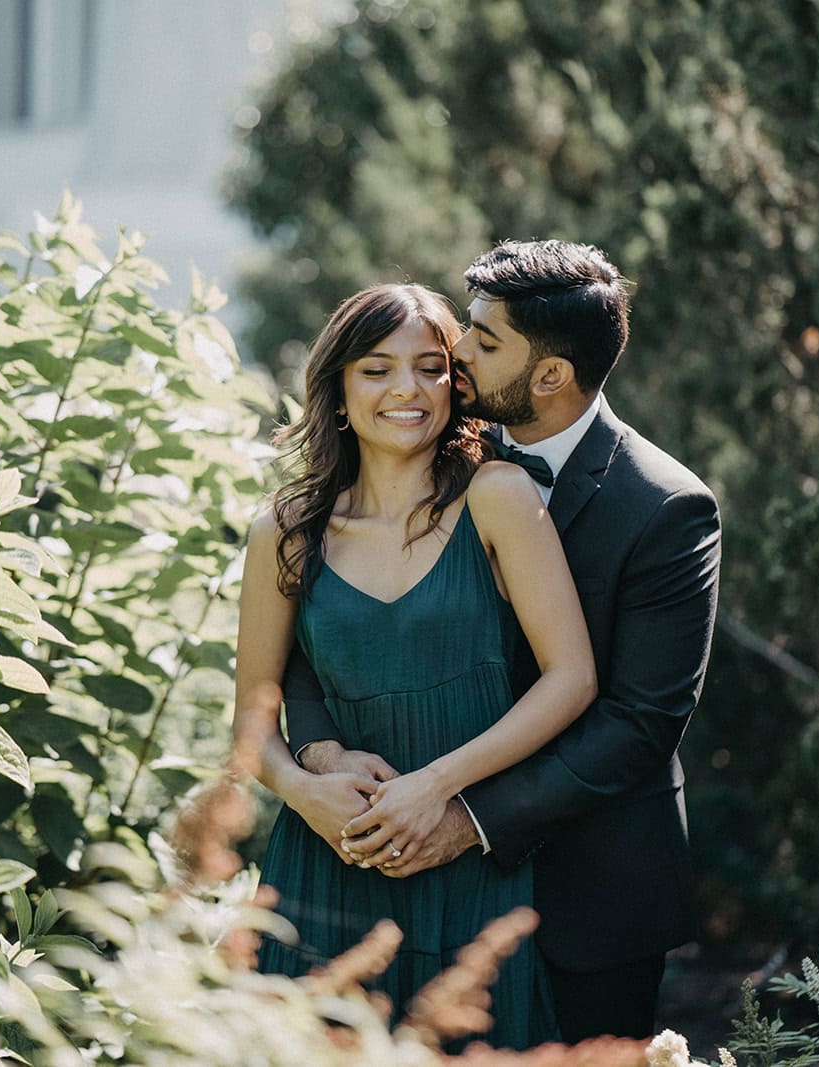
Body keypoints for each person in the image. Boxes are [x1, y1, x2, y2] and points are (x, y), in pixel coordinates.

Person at [285, 240, 722, 1042]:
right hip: (410, 878)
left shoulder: (664, 507)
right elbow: (321, 644)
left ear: (549, 374)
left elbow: (642, 720)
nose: (454, 357)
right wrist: (319, 756)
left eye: (483, 343)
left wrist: (466, 816)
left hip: (588, 894)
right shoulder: (428, 451)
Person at [229, 282, 597, 1049]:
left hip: (466, 855)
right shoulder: (286, 530)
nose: (408, 389)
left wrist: (435, 788)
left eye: (431, 367)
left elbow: (572, 678)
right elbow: (252, 722)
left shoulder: (498, 496)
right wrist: (306, 790)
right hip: (329, 858)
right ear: (337, 389)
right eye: (377, 368)